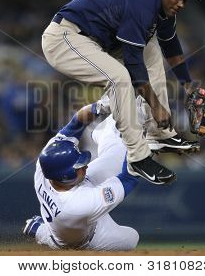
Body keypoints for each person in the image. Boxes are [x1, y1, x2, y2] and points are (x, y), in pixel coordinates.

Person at [42, 0, 202, 185]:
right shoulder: (142, 4)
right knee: (119, 78)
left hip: (98, 39)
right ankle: (138, 157)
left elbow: (171, 45)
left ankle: (158, 134)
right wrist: (156, 106)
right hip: (65, 37)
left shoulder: (160, 2)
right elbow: (134, 67)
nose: (181, 3)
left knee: (152, 48)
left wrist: (189, 86)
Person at [23, 103, 140, 250]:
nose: (85, 165)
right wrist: (137, 146)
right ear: (66, 176)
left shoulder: (45, 162)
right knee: (132, 237)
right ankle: (42, 232)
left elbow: (75, 124)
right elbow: (128, 179)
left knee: (118, 150)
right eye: (79, 166)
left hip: (78, 202)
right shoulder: (77, 205)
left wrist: (98, 107)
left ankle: (107, 131)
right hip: (87, 237)